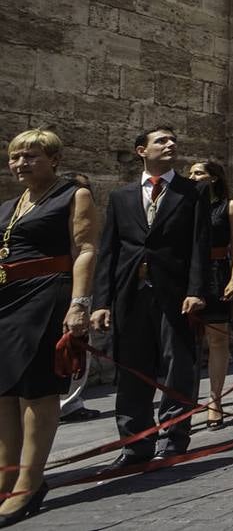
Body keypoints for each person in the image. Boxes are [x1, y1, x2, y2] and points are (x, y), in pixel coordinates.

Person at [91, 124, 210, 467]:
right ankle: (135, 444)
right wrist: (101, 302)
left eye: (174, 139)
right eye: (161, 140)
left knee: (177, 366)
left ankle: (173, 437)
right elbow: (109, 251)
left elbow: (199, 246)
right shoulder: (121, 197)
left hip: (174, 293)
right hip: (131, 293)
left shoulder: (193, 192)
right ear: (141, 150)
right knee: (131, 369)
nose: (171, 144)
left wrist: (196, 290)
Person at [0, 131, 98, 522]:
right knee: (5, 392)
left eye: (31, 156)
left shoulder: (74, 195)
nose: (21, 163)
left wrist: (79, 304)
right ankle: (6, 480)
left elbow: (86, 250)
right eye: (15, 157)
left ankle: (29, 483)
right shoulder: (9, 205)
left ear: (54, 159)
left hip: (46, 296)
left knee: (36, 391)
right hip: (7, 303)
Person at [184, 162, 233, 430]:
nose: (192, 177)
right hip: (188, 275)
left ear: (214, 178)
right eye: (191, 173)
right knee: (185, 341)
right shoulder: (186, 205)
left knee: (217, 340)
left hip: (217, 272)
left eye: (199, 173)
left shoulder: (229, 205)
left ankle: (215, 401)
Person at [58, 172, 99, 425]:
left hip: (77, 291)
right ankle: (66, 403)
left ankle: (70, 402)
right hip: (60, 288)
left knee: (77, 350)